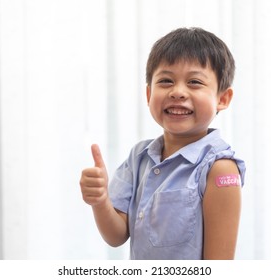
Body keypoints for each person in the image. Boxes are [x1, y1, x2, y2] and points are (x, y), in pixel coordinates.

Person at [79, 27, 246, 260]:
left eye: (195, 82)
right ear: (149, 95)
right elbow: (115, 236)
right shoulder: (138, 158)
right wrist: (100, 201)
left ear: (222, 98)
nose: (178, 92)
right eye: (166, 81)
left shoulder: (220, 169)